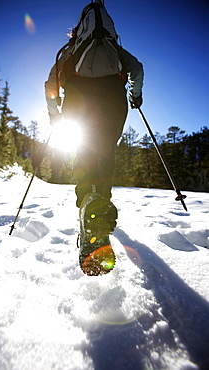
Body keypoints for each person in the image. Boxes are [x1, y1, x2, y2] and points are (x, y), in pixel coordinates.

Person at [45, 1, 143, 275]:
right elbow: (137, 69)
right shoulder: (115, 50)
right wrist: (135, 95)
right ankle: (100, 203)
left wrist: (55, 115)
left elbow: (50, 83)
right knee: (105, 153)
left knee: (84, 153)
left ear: (79, 30)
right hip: (113, 101)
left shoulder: (71, 52)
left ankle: (88, 202)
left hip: (78, 101)